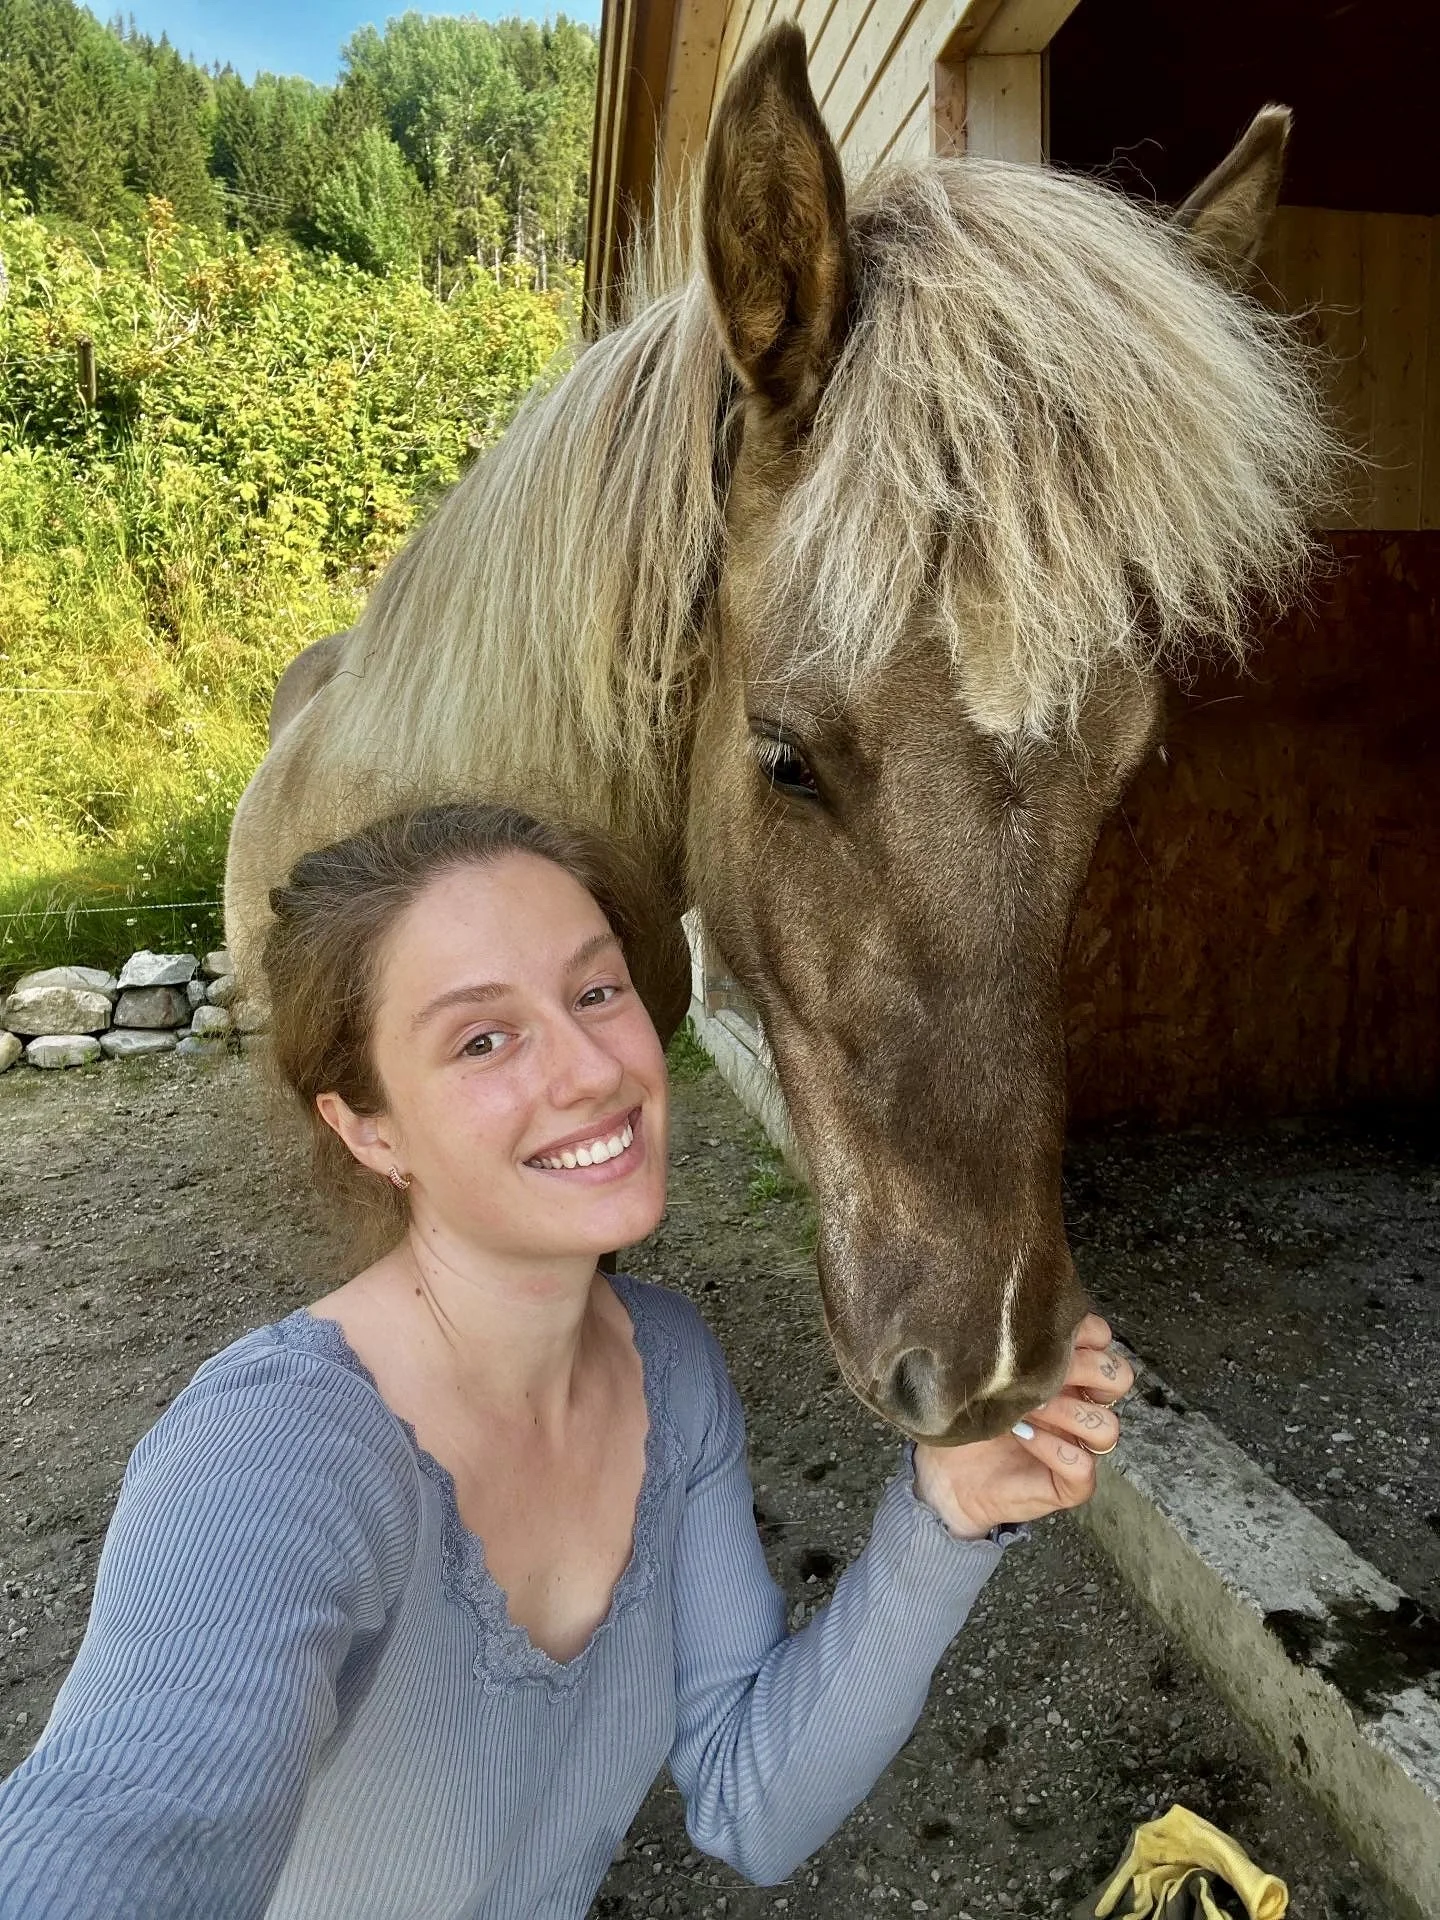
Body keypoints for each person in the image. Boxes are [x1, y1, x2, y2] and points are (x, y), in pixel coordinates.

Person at [0, 803, 1130, 1918]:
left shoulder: (673, 1369)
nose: (592, 1070)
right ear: (368, 1127)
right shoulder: (269, 1454)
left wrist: (947, 1517)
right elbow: (126, 1816)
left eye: (597, 992)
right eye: (482, 1038)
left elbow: (754, 1803)